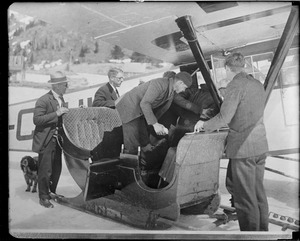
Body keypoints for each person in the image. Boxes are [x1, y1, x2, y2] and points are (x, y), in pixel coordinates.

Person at [194, 52, 269, 231]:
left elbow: (224, 117)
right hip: (260, 145)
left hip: (244, 149)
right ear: (243, 66)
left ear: (227, 68)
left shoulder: (235, 85)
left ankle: (250, 236)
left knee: (244, 197)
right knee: (258, 194)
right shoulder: (257, 83)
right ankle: (263, 233)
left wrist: (203, 125)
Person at [116, 71, 193, 155]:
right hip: (129, 108)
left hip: (139, 111)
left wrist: (156, 124)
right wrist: (155, 124)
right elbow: (145, 103)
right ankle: (131, 164)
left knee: (144, 139)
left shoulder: (170, 90)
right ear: (180, 83)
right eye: (184, 87)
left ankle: (145, 156)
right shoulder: (160, 84)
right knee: (132, 142)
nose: (183, 90)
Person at [32, 71, 69, 208]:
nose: (67, 87)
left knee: (56, 168)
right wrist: (57, 113)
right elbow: (37, 120)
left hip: (58, 141)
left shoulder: (61, 98)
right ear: (58, 85)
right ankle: (43, 197)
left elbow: (62, 118)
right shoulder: (43, 100)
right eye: (65, 85)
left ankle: (51, 192)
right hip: (46, 141)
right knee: (45, 169)